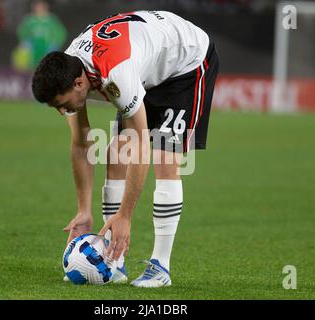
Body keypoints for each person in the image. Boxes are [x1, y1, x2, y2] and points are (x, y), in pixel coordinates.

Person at [32, 10, 218, 287]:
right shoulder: (70, 67)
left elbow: (142, 143)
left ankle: (160, 267)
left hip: (186, 61)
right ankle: (113, 261)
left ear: (79, 84)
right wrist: (84, 210)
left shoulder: (116, 76)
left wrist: (125, 216)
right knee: (116, 154)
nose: (62, 111)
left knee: (165, 157)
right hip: (145, 64)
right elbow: (82, 142)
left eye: (62, 104)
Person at [15, 0, 67, 70]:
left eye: (41, 6)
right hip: (33, 46)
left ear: (46, 7)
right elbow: (22, 32)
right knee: (22, 52)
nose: (39, 8)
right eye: (37, 6)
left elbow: (61, 33)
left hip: (47, 46)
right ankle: (22, 74)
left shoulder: (51, 20)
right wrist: (26, 41)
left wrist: (55, 43)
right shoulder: (29, 20)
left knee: (51, 59)